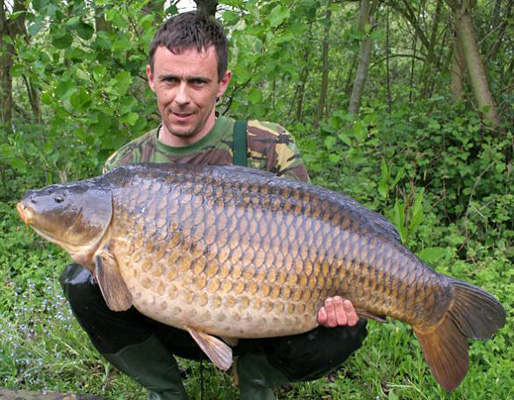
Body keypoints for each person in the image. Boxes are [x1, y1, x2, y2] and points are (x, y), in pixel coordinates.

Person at [60, 11, 367, 400]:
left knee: (346, 325)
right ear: (151, 78)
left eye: (198, 82)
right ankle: (166, 389)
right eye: (170, 80)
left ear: (222, 83)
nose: (182, 97)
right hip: (169, 314)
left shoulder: (266, 145)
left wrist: (333, 298)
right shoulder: (126, 166)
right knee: (80, 281)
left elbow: (313, 235)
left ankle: (256, 379)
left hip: (268, 315)